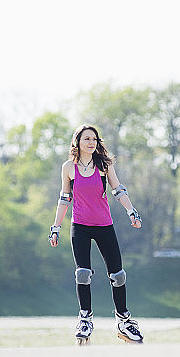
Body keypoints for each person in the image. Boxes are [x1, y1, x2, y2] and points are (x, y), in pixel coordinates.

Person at [48, 124, 143, 344]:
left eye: (94, 139)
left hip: (104, 225)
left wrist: (131, 211)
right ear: (77, 142)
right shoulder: (68, 168)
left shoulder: (104, 164)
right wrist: (56, 227)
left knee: (118, 275)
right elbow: (64, 198)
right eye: (86, 139)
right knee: (82, 273)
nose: (91, 142)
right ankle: (85, 319)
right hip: (80, 226)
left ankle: (124, 322)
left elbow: (118, 189)